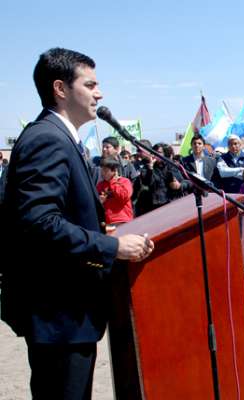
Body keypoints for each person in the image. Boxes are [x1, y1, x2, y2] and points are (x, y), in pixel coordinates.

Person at [0, 48, 153, 400]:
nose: (100, 93)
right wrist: (113, 247)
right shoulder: (47, 139)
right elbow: (39, 222)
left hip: (65, 315)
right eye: (91, 84)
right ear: (60, 88)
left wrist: (103, 232)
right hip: (59, 314)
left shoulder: (60, 137)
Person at [96, 156, 134, 227]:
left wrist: (113, 182)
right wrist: (100, 201)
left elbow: (124, 197)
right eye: (101, 170)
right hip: (108, 223)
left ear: (114, 171)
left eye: (105, 171)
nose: (102, 173)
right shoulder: (100, 185)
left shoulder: (124, 181)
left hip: (123, 220)